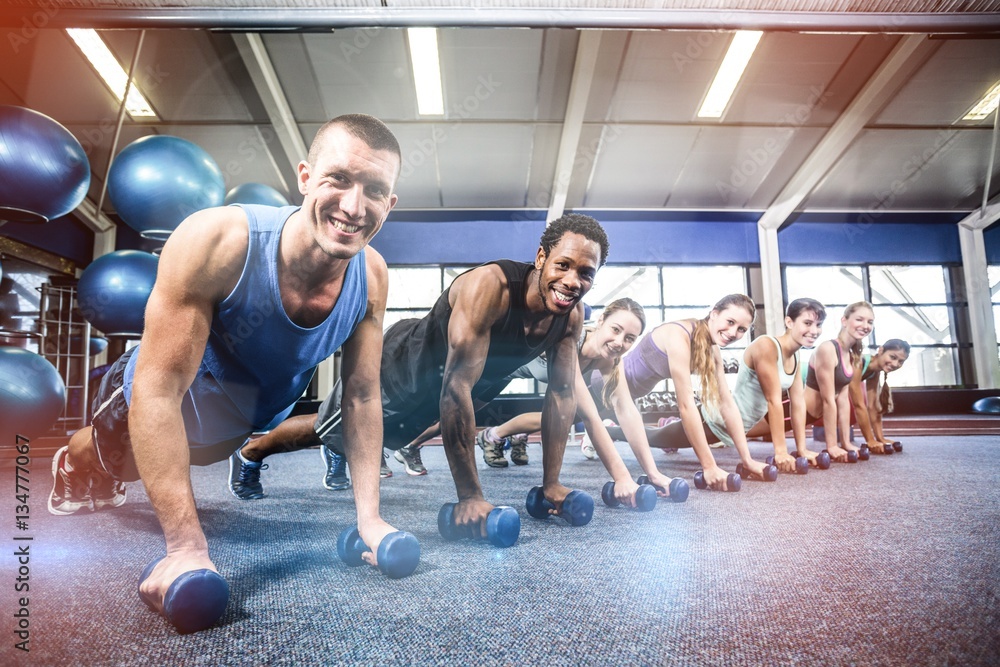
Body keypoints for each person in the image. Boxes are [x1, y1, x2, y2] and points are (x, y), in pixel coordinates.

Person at [47, 114, 403, 631]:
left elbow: (363, 397)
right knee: (116, 467)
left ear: (389, 204)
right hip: (154, 400)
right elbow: (159, 388)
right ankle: (73, 464)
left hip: (239, 421)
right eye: (339, 179)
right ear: (305, 178)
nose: (354, 205)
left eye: (374, 189)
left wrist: (370, 519)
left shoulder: (372, 276)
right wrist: (185, 550)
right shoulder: (219, 240)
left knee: (196, 463)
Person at [245, 213, 610, 534]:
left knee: (384, 441)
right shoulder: (491, 288)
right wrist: (469, 496)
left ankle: (344, 450)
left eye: (586, 273)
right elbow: (456, 387)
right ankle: (252, 453)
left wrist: (552, 484)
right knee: (323, 431)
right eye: (563, 265)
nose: (572, 281)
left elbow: (562, 395)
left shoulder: (569, 319)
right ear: (541, 257)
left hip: (445, 392)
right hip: (401, 369)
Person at [474, 298, 681, 505]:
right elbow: (590, 417)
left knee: (559, 415)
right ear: (601, 320)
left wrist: (653, 473)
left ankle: (505, 436)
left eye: (629, 338)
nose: (619, 342)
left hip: (514, 373)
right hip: (490, 366)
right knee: (442, 422)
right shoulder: (570, 341)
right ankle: (489, 437)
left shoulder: (609, 359)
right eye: (615, 329)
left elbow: (626, 410)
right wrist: (622, 478)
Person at [606, 294, 770, 489]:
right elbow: (685, 406)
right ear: (714, 314)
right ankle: (603, 430)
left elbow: (726, 404)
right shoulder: (678, 335)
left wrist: (747, 460)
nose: (733, 332)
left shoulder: (712, 350)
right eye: (730, 322)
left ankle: (605, 430)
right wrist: (709, 466)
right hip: (603, 386)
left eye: (741, 329)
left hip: (625, 399)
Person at [717, 298, 831, 472]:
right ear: (789, 322)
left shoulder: (795, 355)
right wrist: (781, 452)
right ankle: (671, 424)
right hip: (720, 421)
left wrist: (802, 449)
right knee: (664, 437)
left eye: (819, 324)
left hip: (747, 425)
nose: (814, 331)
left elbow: (798, 403)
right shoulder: (766, 345)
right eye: (807, 323)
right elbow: (774, 401)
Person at [802, 301, 875, 462]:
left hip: (810, 416)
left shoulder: (850, 355)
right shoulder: (828, 349)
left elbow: (842, 400)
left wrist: (846, 443)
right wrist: (832, 445)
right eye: (859, 319)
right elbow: (828, 400)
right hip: (794, 413)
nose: (865, 325)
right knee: (743, 429)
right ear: (844, 321)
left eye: (870, 322)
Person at [850, 338, 910, 453]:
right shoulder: (859, 361)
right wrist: (870, 440)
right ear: (881, 350)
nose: (895, 364)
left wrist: (880, 438)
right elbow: (858, 405)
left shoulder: (875, 371)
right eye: (892, 357)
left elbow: (872, 407)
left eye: (900, 361)